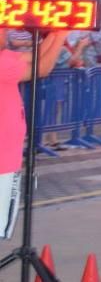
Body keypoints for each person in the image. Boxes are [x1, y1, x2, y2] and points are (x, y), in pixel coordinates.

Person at [1, 29, 68, 239]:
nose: (6, 32)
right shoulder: (2, 63)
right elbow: (43, 68)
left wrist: (54, 35)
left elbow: (37, 55)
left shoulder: (5, 56)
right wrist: (63, 34)